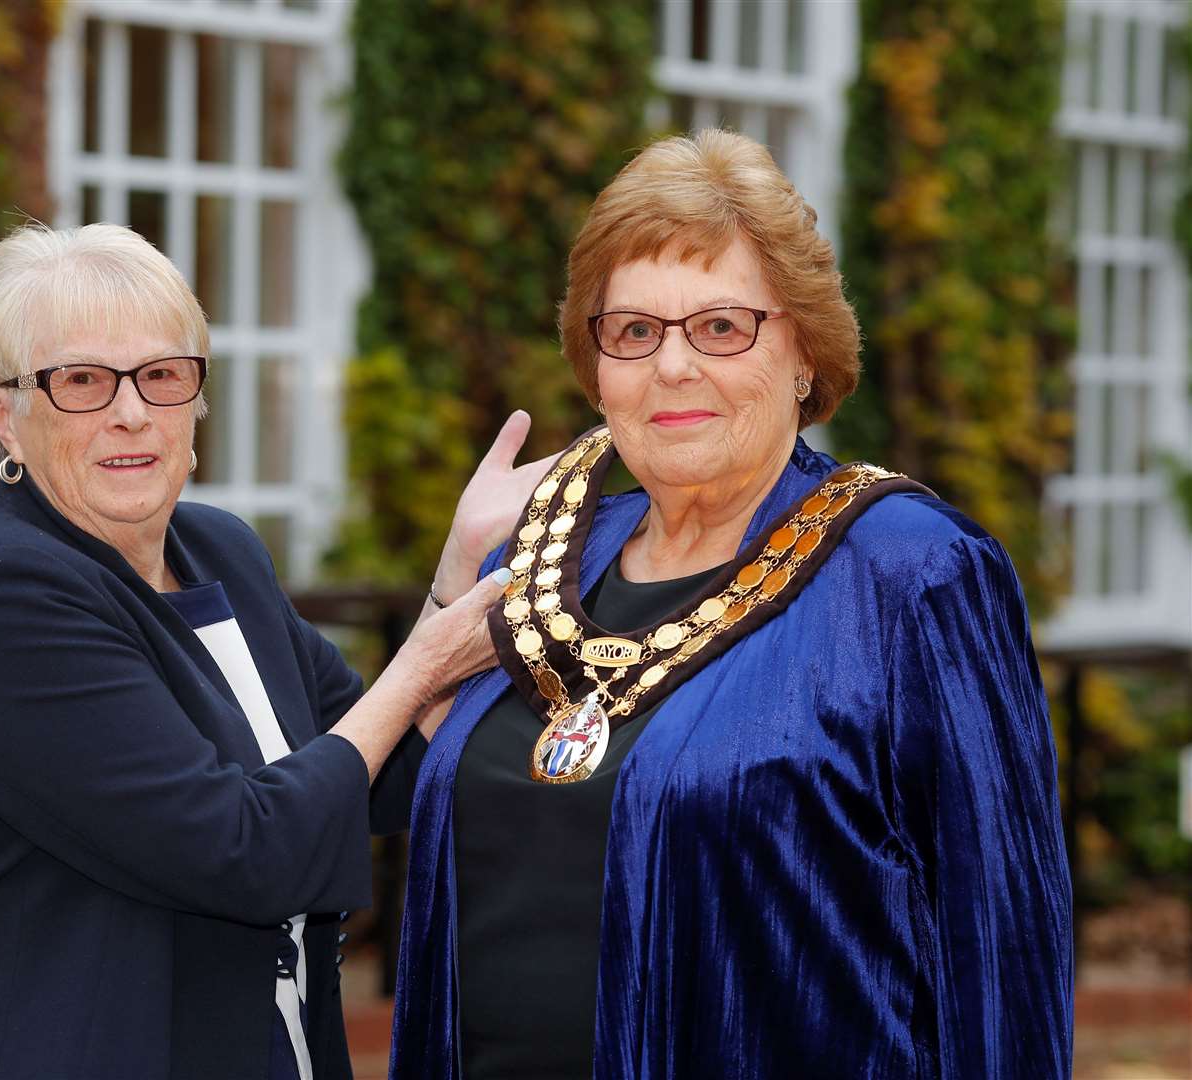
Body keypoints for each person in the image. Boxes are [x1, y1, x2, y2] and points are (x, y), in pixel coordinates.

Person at [391, 130, 1073, 1079]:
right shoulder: (541, 561)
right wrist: (462, 566)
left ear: (804, 350)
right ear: (596, 367)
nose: (673, 367)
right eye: (634, 331)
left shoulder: (912, 575)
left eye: (721, 326)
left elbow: (1000, 944)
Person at [0, 222, 551, 1080]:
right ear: (6, 417)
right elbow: (245, 851)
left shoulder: (221, 552)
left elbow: (372, 771)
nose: (132, 411)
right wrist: (424, 663)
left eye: (162, 376)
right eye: (83, 381)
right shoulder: (12, 597)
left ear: (196, 401)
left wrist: (457, 575)